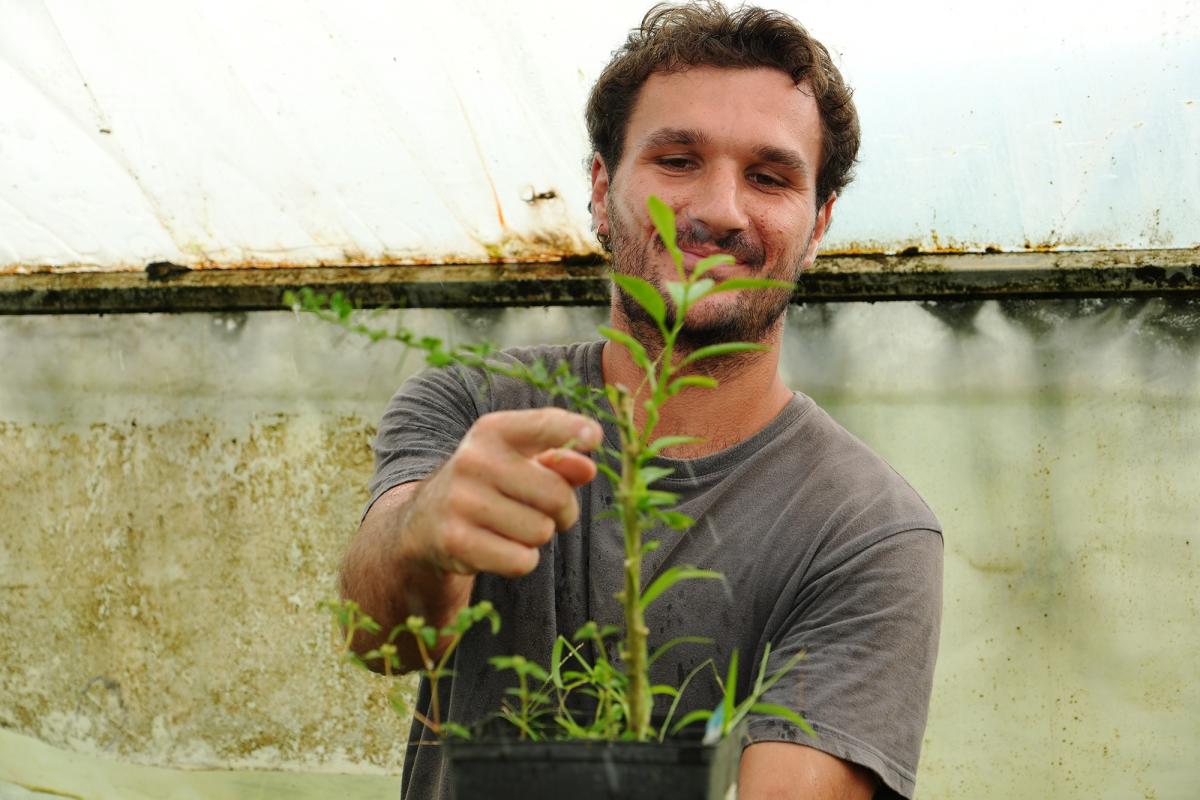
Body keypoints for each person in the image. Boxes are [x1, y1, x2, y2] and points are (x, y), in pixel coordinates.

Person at [341, 3, 943, 798]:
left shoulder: (866, 530)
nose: (720, 211)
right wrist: (427, 534)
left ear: (819, 222)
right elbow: (382, 640)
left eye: (769, 177)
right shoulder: (474, 407)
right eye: (676, 159)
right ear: (601, 185)